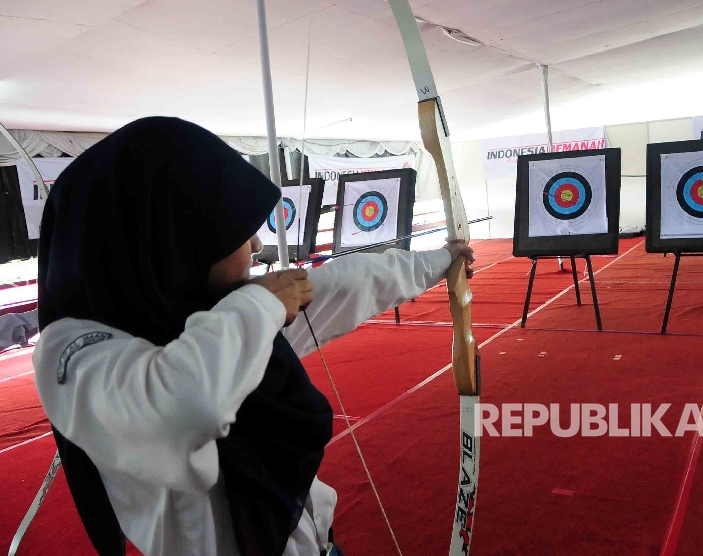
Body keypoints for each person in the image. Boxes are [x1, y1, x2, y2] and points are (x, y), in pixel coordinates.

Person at [32, 116, 475, 556]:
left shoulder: (205, 305)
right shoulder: (69, 351)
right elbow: (185, 407)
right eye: (236, 230)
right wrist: (261, 306)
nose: (258, 245)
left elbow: (343, 284)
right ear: (180, 233)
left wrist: (439, 262)